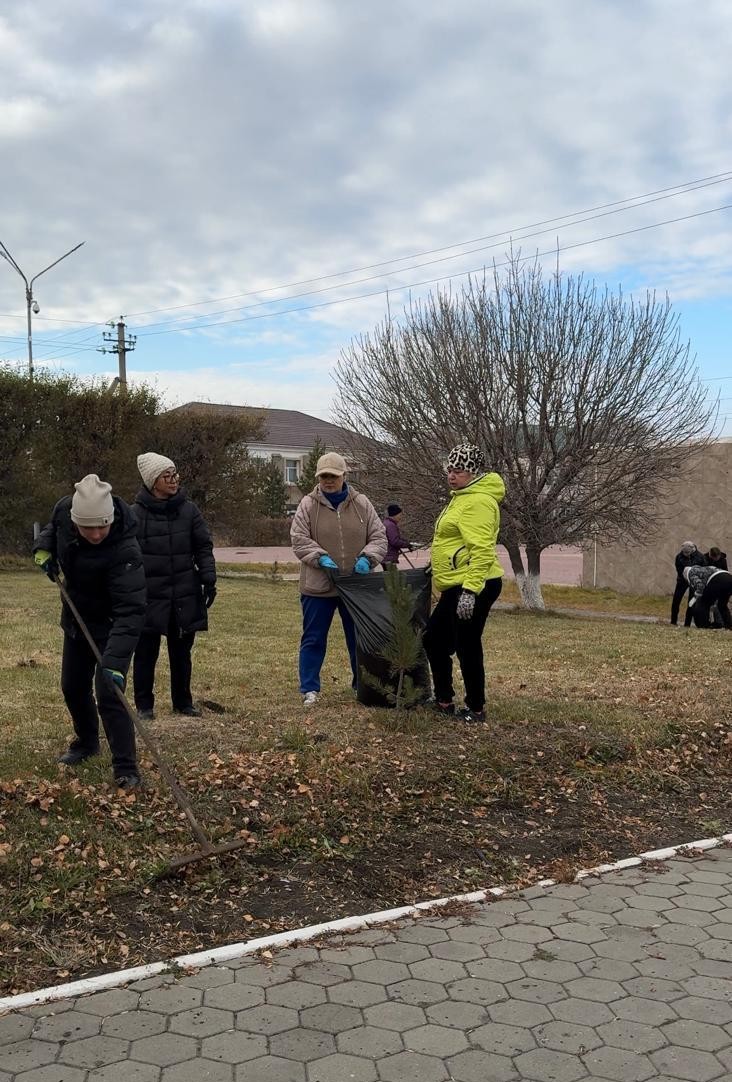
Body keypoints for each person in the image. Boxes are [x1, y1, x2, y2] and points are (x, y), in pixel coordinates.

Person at [33, 474, 146, 789]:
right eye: (87, 528)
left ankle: (126, 768)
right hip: (77, 616)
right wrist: (44, 549)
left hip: (113, 624)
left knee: (109, 692)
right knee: (72, 686)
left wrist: (114, 663)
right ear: (75, 521)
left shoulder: (125, 549)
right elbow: (52, 530)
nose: (96, 534)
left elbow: (131, 610)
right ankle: (86, 742)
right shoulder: (64, 512)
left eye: (102, 526)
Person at [290, 451, 387, 705]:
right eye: (323, 476)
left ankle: (362, 685)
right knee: (313, 637)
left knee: (358, 637)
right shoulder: (308, 505)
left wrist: (368, 558)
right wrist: (319, 557)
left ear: (344, 475)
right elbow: (299, 539)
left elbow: (379, 537)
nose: (328, 481)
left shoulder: (362, 503)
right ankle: (309, 688)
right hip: (319, 586)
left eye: (333, 476)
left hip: (356, 586)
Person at [422, 444, 504, 724]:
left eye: (458, 471)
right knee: (434, 639)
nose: (451, 475)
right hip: (458, 582)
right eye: (450, 469)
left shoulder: (478, 501)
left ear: (473, 472)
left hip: (475, 584)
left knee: (467, 644)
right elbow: (453, 542)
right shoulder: (460, 498)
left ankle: (476, 708)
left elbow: (482, 549)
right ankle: (444, 700)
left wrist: (470, 591)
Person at [132, 453, 217, 720]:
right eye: (166, 476)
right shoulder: (134, 514)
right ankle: (144, 706)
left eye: (175, 474)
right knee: (146, 653)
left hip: (184, 592)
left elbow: (203, 545)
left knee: (182, 653)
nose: (173, 480)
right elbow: (126, 554)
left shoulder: (189, 510)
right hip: (148, 594)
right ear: (152, 481)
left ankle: (183, 702)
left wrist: (208, 578)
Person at [684, 564, 732, 629]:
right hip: (729, 577)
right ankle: (729, 625)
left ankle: (704, 625)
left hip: (716, 579)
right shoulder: (702, 569)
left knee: (704, 603)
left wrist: (697, 595)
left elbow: (700, 586)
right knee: (722, 605)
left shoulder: (690, 573)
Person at [671, 541, 705, 626]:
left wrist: (695, 579)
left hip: (694, 582)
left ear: (693, 549)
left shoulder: (700, 557)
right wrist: (685, 576)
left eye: (687, 552)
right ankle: (673, 622)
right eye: (684, 552)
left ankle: (687, 624)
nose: (686, 554)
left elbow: (703, 569)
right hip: (682, 580)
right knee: (676, 601)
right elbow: (679, 570)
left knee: (691, 603)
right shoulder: (679, 557)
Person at [382, 504, 416, 569]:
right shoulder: (390, 525)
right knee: (392, 577)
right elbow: (395, 541)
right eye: (400, 515)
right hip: (389, 558)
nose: (401, 517)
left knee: (391, 576)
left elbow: (395, 538)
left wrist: (407, 543)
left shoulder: (387, 523)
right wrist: (407, 545)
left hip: (387, 557)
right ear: (395, 515)